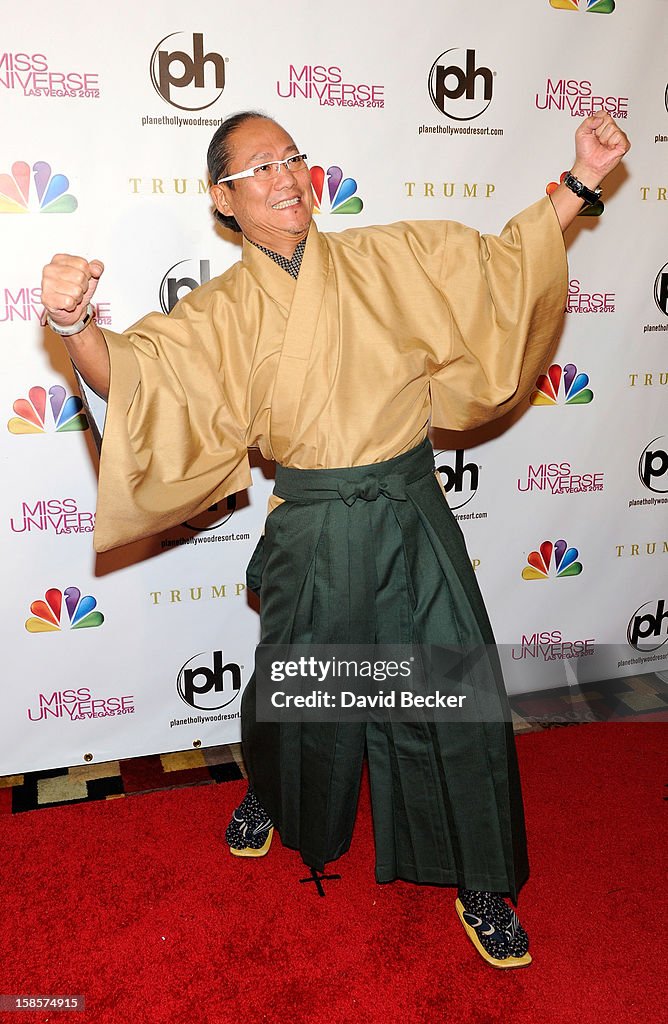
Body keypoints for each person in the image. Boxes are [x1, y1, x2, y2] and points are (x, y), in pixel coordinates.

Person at [41, 109, 629, 970]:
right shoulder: (222, 310)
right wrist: (74, 327)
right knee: (301, 684)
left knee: (451, 690)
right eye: (259, 167)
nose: (285, 177)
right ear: (223, 198)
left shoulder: (388, 259)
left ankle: (480, 877)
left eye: (293, 158)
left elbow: (503, 266)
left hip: (409, 504)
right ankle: (276, 793)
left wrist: (581, 179)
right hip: (313, 519)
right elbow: (135, 377)